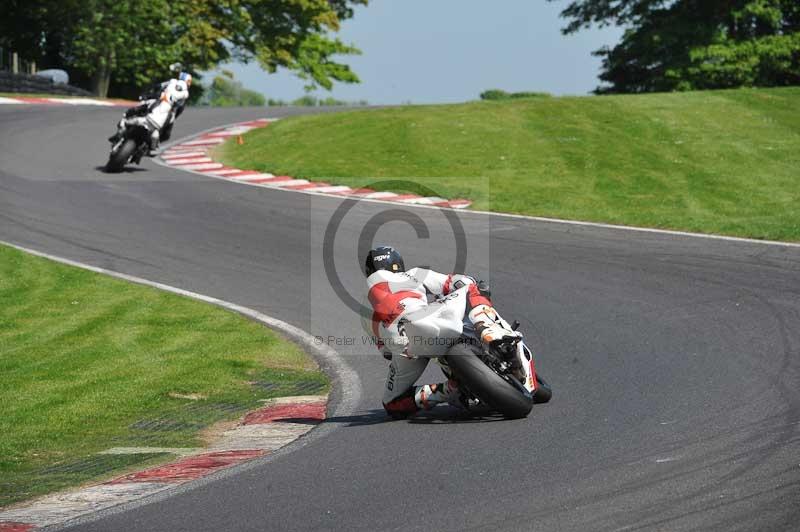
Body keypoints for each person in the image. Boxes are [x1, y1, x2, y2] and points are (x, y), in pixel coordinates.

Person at [363, 246, 521, 418]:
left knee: (392, 404)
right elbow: (454, 282)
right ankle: (488, 328)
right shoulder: (413, 274)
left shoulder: (364, 312)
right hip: (426, 317)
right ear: (397, 264)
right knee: (473, 289)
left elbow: (385, 352)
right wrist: (474, 282)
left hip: (407, 349)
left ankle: (446, 390)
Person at [108, 72, 192, 156]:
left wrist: (149, 95)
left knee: (134, 111)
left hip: (163, 108)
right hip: (160, 105)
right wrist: (149, 95)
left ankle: (152, 145)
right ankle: (152, 145)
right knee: (134, 111)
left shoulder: (176, 86)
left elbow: (158, 87)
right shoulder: (177, 86)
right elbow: (158, 87)